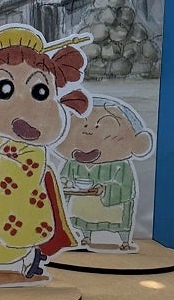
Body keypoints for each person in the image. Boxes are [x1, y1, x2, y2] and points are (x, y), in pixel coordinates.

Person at [0, 23, 88, 284]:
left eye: (40, 92)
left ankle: (21, 265)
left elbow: (28, 167)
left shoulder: (31, 153)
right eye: (3, 89)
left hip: (14, 207)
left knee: (10, 247)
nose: (24, 105)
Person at [56, 95, 154, 251]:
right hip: (80, 203)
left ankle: (124, 241)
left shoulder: (121, 165)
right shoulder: (72, 163)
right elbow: (63, 178)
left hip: (112, 208)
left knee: (118, 218)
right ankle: (85, 236)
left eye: (98, 126)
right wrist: (65, 185)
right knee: (80, 216)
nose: (88, 131)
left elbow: (126, 188)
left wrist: (106, 189)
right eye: (84, 125)